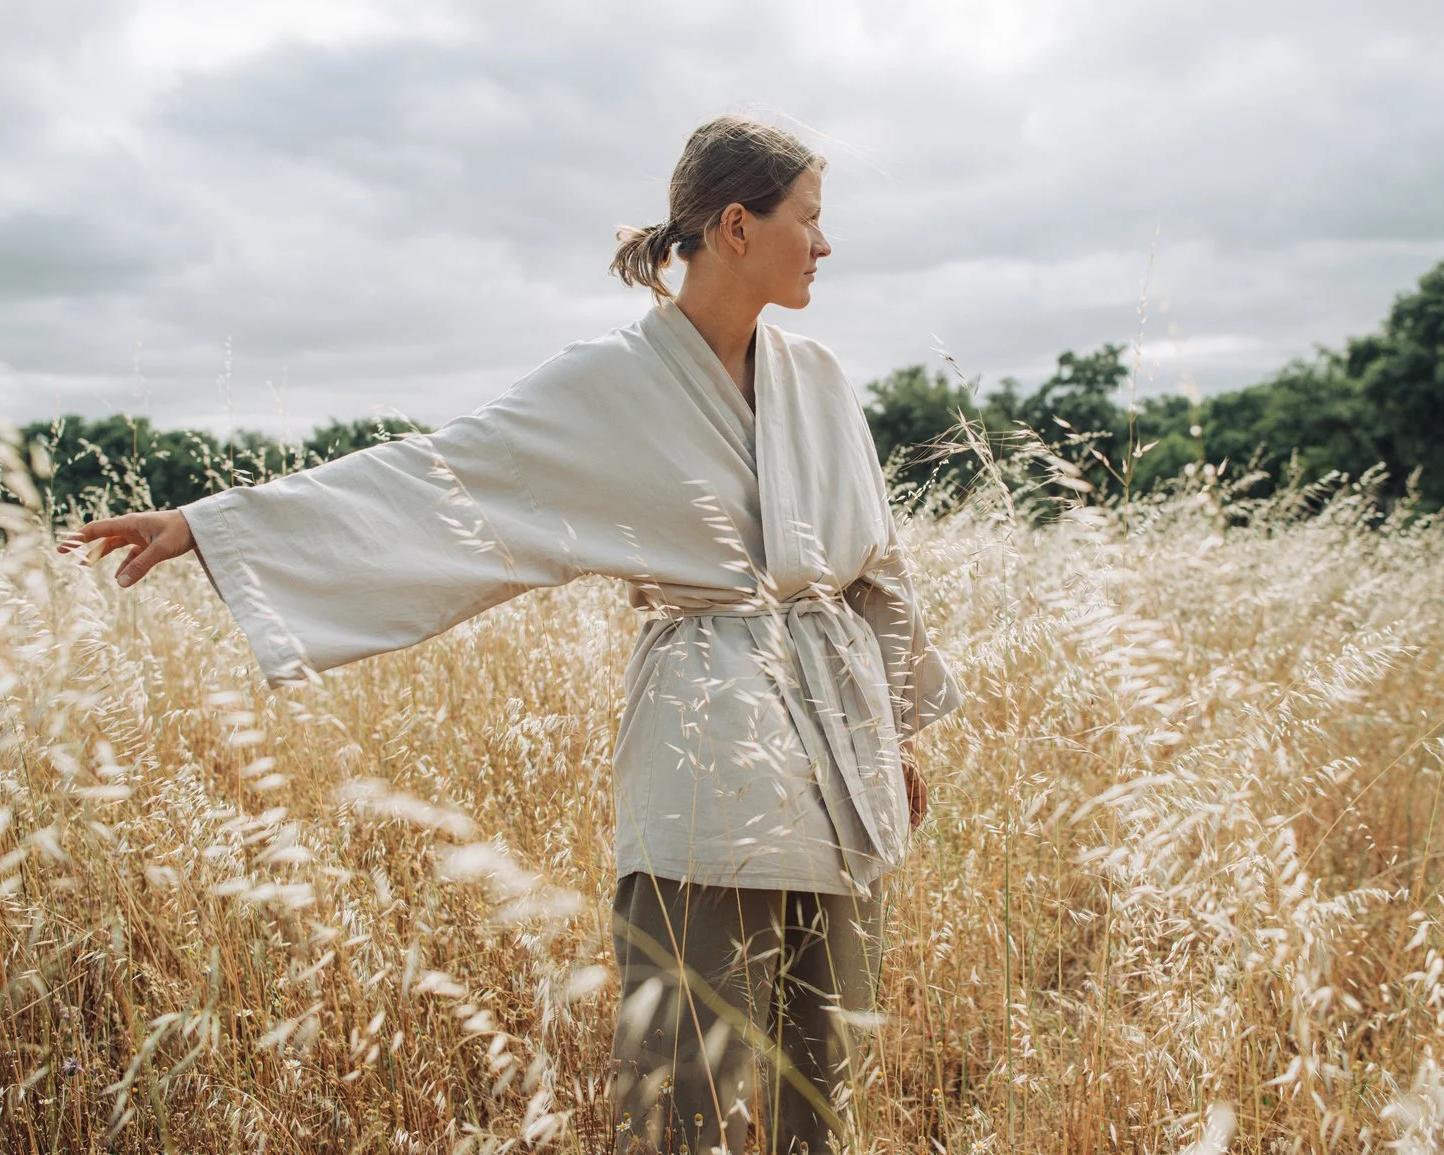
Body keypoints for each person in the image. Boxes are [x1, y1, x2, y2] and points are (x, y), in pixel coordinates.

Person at [58, 114, 965, 1154]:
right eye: (809, 218)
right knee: (683, 1080)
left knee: (825, 1072)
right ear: (734, 226)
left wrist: (894, 732)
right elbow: (447, 478)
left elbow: (877, 570)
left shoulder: (821, 381)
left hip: (835, 746)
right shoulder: (610, 384)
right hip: (705, 747)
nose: (825, 242)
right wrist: (211, 527)